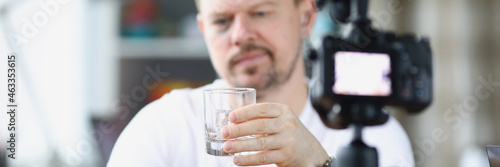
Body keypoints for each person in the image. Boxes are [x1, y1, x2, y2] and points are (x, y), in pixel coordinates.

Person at [107, 0, 415, 166]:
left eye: (261, 12)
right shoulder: (161, 126)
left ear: (306, 18)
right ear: (203, 30)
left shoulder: (369, 131)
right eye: (221, 21)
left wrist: (317, 164)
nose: (240, 35)